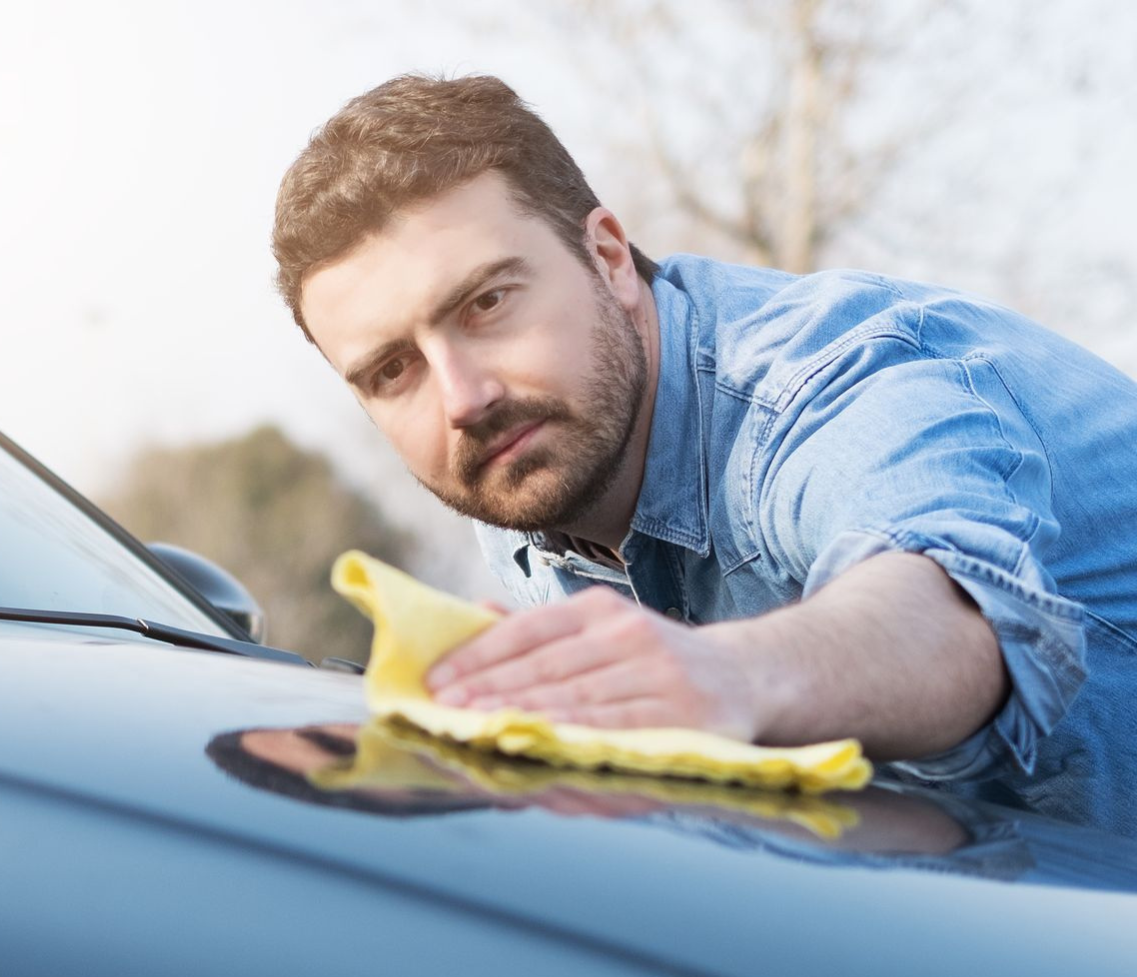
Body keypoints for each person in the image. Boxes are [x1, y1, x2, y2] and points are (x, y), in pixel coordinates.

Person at [269, 74, 1137, 836]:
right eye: (393, 369)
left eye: (488, 302)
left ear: (607, 257)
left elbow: (948, 612)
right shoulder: (528, 478)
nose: (462, 398)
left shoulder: (822, 382)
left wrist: (725, 672)